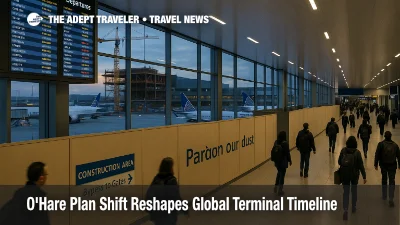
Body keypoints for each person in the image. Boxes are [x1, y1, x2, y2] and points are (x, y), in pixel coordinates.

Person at [146, 157, 188, 225]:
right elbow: (176, 197)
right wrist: (185, 209)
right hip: (169, 215)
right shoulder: (172, 180)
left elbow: (149, 194)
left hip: (157, 214)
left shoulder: (156, 179)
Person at [338, 136, 367, 221]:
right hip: (354, 175)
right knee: (354, 191)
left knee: (346, 192)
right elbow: (361, 165)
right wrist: (364, 176)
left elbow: (339, 162)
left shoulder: (343, 150)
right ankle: (353, 207)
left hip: (345, 174)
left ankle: (345, 210)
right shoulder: (357, 152)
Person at [374, 131, 400, 208]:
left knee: (384, 179)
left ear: (384, 136)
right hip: (392, 165)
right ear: (391, 136)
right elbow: (399, 156)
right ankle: (391, 198)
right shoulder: (395, 145)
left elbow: (377, 154)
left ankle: (384, 195)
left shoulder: (381, 144)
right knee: (392, 181)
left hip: (384, 165)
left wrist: (376, 164)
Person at [271, 131, 292, 195]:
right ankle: (280, 190)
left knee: (279, 173)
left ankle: (276, 187)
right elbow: (287, 153)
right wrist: (290, 160)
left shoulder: (276, 142)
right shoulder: (285, 143)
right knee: (282, 175)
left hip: (277, 161)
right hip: (283, 161)